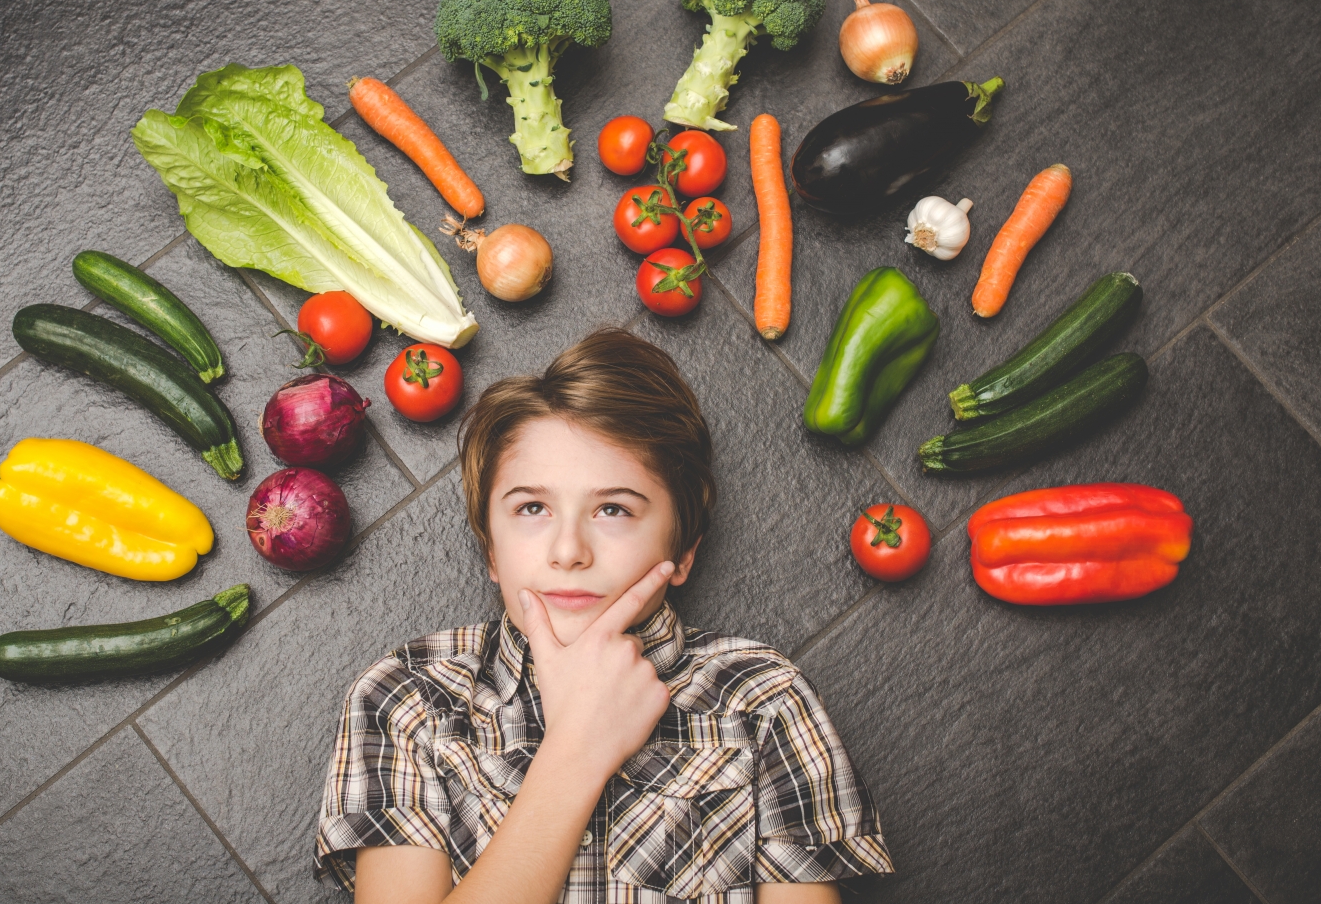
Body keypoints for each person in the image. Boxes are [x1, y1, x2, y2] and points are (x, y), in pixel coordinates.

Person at [313, 329, 892, 903]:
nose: (569, 551)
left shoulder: (761, 698)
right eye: (532, 508)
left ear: (683, 549)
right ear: (491, 549)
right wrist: (579, 748)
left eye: (613, 509)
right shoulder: (408, 698)